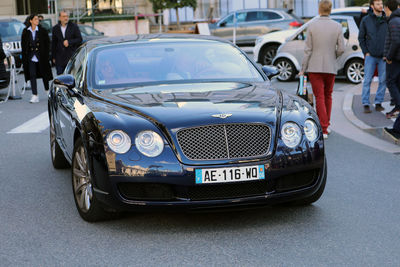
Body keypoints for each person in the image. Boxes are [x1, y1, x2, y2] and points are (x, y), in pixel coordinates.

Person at [299, 0, 344, 139]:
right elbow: (341, 48)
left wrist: (303, 69)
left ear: (319, 10)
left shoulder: (312, 26)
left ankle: (323, 128)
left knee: (319, 96)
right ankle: (326, 126)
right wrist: (332, 56)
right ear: (330, 10)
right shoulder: (337, 26)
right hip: (330, 66)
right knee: (328, 96)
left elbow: (308, 50)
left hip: (315, 66)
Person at [358, 0, 388, 113]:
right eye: (378, 4)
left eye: (381, 4)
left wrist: (387, 53)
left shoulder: (387, 19)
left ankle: (378, 102)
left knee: (383, 80)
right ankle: (365, 103)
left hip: (383, 56)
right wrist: (366, 52)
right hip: (370, 56)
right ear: (372, 6)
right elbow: (361, 38)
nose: (381, 6)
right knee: (367, 80)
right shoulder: (366, 20)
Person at [21, 14, 53, 103]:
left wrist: (47, 56)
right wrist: (24, 59)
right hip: (30, 57)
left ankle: (47, 91)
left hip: (41, 57)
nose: (37, 20)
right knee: (32, 75)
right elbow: (23, 46)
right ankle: (35, 95)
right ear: (31, 21)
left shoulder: (42, 31)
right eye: (35, 19)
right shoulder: (25, 31)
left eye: (38, 19)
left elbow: (47, 44)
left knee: (44, 74)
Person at [383, 0, 400, 119]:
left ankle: (398, 106)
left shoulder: (393, 21)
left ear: (387, 7)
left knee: (390, 81)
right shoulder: (396, 19)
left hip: (394, 59)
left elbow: (396, 41)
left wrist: (388, 56)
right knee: (396, 83)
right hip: (397, 57)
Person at [51, 10, 82, 75]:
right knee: (60, 78)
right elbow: (53, 43)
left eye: (67, 16)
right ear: (60, 18)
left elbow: (79, 39)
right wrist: (53, 57)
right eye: (64, 16)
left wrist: (69, 42)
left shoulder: (74, 27)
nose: (66, 18)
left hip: (71, 57)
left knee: (71, 78)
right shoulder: (55, 28)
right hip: (59, 58)